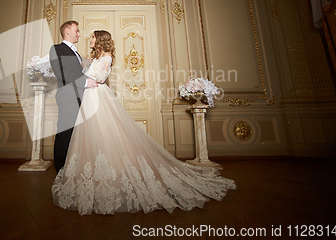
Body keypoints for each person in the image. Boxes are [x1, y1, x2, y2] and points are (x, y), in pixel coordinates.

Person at [52, 30, 236, 215]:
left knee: (106, 135)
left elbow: (100, 78)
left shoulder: (106, 57)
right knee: (90, 138)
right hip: (88, 99)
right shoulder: (95, 57)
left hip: (97, 98)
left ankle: (114, 176)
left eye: (92, 37)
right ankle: (91, 178)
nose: (89, 40)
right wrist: (87, 67)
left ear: (100, 40)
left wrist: (86, 76)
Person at [49, 21, 99, 173]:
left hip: (81, 98)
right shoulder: (56, 49)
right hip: (68, 98)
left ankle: (73, 170)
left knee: (76, 136)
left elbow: (75, 70)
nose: (79, 34)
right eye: (76, 31)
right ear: (67, 31)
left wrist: (87, 64)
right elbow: (61, 73)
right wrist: (85, 82)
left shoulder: (76, 53)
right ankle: (60, 171)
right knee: (65, 134)